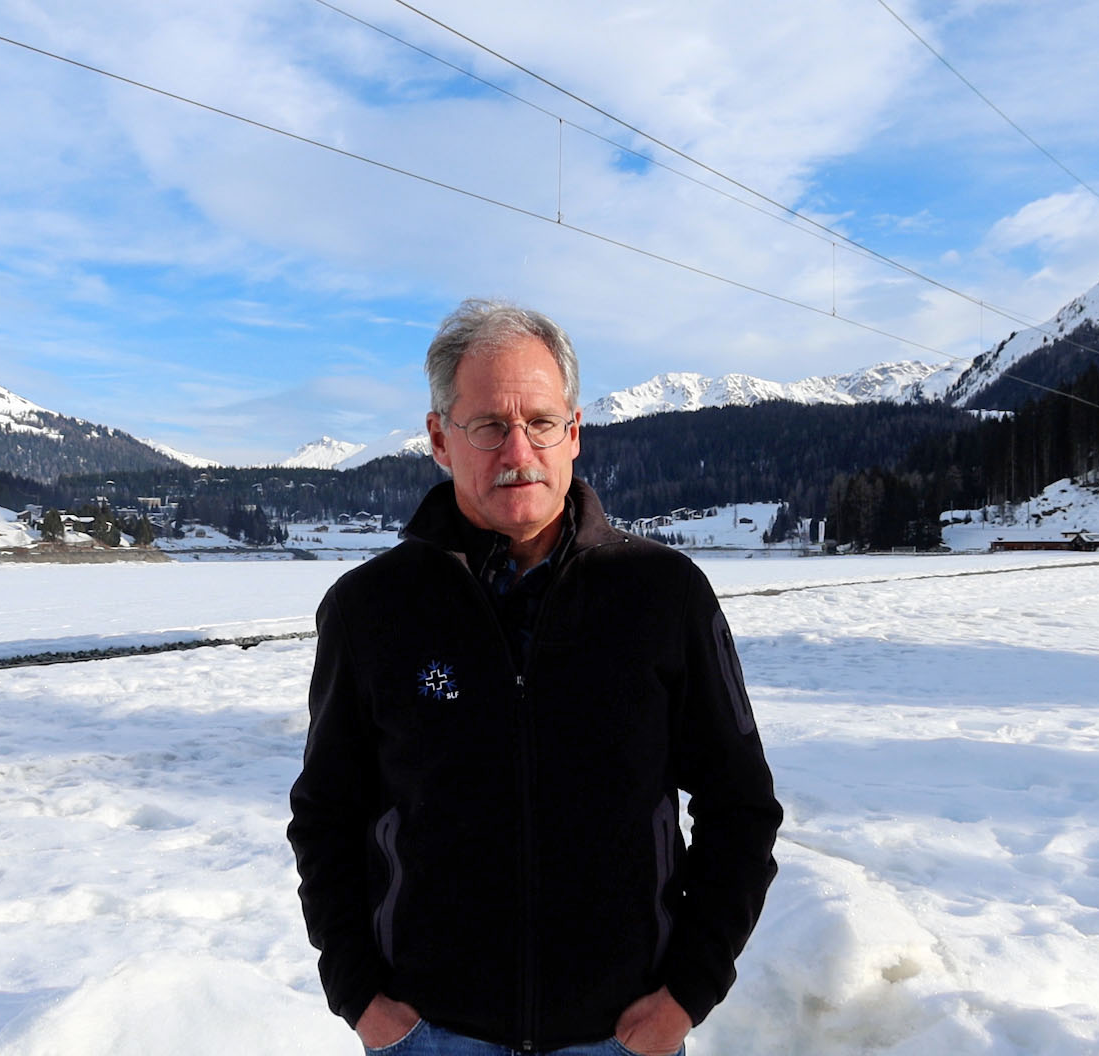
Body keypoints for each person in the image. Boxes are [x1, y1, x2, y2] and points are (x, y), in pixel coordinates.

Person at [288, 299, 782, 1055]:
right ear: (439, 439)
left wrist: (688, 993)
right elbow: (326, 814)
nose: (518, 450)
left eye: (541, 422)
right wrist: (359, 996)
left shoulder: (662, 594)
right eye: (488, 425)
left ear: (574, 432)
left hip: (620, 1035)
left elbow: (740, 805)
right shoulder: (371, 610)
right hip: (431, 1034)